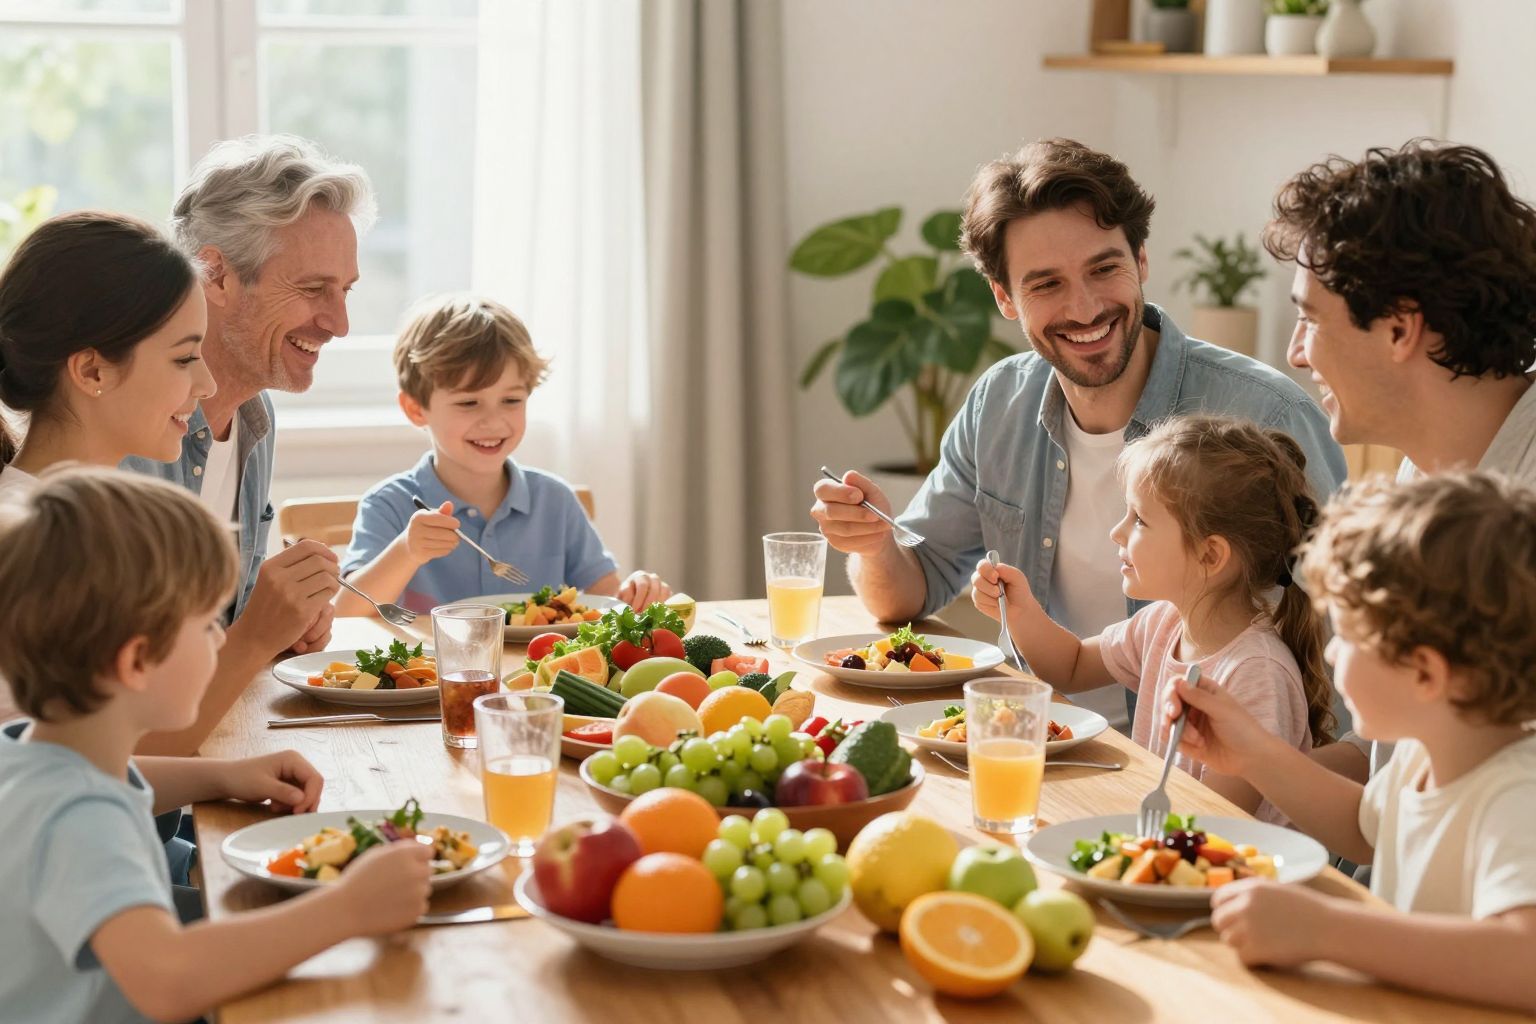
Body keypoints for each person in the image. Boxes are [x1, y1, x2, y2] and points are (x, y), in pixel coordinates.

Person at [812, 138, 1345, 727]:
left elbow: (1350, 659)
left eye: (1104, 268)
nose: (1086, 308)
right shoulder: (1000, 403)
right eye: (1046, 284)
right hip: (1030, 738)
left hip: (1200, 775)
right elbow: (909, 592)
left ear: (1140, 260)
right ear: (1005, 298)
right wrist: (873, 544)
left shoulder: (1266, 414)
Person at [0, 467, 434, 1024]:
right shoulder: (80, 817)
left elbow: (113, 775)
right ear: (136, 662)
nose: (219, 641)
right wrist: (347, 909)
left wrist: (222, 776)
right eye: (208, 625)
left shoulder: (30, 751)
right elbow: (169, 979)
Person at [1162, 472, 1536, 1015]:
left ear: (1425, 673)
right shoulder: (1422, 754)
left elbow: (1525, 960)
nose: (1333, 655)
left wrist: (1329, 932)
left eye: (1352, 638)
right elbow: (1365, 829)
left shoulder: (1515, 798)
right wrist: (1252, 753)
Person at [1266, 139, 1536, 783]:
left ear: (1399, 328)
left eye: (1310, 319)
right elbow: (1392, 766)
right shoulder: (1429, 469)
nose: (1296, 353)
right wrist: (1236, 780)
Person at [124, 134, 376, 754]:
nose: (339, 323)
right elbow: (124, 741)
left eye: (347, 290)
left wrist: (280, 623)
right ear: (215, 275)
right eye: (314, 289)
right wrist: (257, 637)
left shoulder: (254, 417)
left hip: (221, 756)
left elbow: (209, 649)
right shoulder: (124, 444)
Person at [972, 415, 1332, 822]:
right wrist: (1021, 612)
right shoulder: (1162, 623)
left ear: (1210, 556)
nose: (1117, 533)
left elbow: (1211, 822)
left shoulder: (1256, 674)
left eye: (1139, 519)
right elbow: (1070, 666)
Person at [339, 293, 670, 612]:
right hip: (430, 669)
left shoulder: (555, 501)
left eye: (511, 401)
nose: (493, 421)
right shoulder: (388, 505)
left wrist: (639, 592)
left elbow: (610, 599)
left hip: (539, 670)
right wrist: (407, 551)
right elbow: (346, 614)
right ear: (415, 409)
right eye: (469, 403)